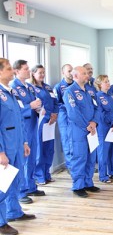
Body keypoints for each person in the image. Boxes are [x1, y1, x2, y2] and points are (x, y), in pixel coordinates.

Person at [0, 58, 36, 235]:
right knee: (2, 185)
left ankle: (14, 211)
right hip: (5, 146)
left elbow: (19, 119)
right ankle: (1, 222)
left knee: (15, 181)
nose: (12, 71)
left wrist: (24, 142)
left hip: (16, 143)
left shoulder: (10, 92)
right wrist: (0, 152)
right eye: (8, 69)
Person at [11, 60, 44, 205]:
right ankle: (21, 191)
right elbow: (16, 109)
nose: (28, 71)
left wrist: (37, 107)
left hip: (32, 124)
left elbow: (34, 103)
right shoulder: (14, 87)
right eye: (25, 69)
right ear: (17, 71)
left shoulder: (29, 87)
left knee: (32, 157)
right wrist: (29, 106)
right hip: (23, 126)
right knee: (23, 159)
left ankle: (31, 185)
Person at [63, 66, 100, 198]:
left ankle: (88, 182)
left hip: (92, 128)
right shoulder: (70, 92)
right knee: (80, 157)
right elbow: (73, 113)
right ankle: (78, 186)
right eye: (84, 73)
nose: (87, 75)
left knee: (91, 157)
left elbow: (97, 107)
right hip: (78, 130)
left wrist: (94, 122)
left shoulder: (90, 91)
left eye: (87, 73)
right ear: (76, 76)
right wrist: (86, 125)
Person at [31, 65, 59, 185]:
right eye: (40, 73)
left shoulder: (48, 87)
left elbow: (55, 102)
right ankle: (39, 175)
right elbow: (32, 105)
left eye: (43, 72)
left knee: (49, 149)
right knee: (40, 149)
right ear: (33, 74)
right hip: (39, 122)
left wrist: (55, 114)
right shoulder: (31, 88)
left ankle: (47, 173)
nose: (42, 75)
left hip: (50, 122)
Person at [95, 75, 113, 183]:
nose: (108, 83)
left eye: (108, 81)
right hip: (104, 128)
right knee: (103, 152)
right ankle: (103, 176)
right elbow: (100, 113)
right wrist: (112, 121)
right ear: (99, 84)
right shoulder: (98, 97)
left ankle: (112, 172)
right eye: (105, 81)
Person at [54, 64, 74, 170]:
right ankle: (70, 166)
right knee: (66, 140)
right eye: (69, 71)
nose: (71, 73)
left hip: (75, 116)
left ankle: (77, 165)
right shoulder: (58, 87)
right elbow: (56, 103)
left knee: (76, 141)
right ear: (63, 73)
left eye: (72, 71)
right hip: (64, 115)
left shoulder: (76, 85)